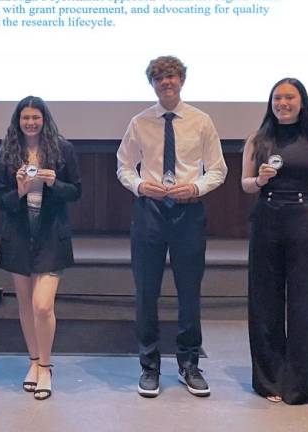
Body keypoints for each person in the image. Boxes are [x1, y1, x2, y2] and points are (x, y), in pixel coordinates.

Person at [116, 56, 227, 398]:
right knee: (147, 292)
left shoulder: (201, 121)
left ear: (182, 80)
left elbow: (218, 170)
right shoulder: (139, 122)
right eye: (160, 78)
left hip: (188, 212)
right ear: (152, 84)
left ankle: (189, 365)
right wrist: (139, 186)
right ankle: (149, 367)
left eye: (172, 76)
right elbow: (123, 166)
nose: (166, 82)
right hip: (149, 212)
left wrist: (195, 187)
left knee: (189, 292)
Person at [241, 78, 308, 405]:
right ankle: (269, 380)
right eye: (277, 97)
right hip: (267, 222)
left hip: (305, 222)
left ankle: (299, 384)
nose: (283, 103)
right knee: (265, 303)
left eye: (290, 97)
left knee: (302, 306)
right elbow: (245, 184)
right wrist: (258, 179)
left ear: (302, 101)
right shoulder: (257, 139)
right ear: (270, 102)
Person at [0, 96, 81, 400]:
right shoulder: (6, 153)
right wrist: (18, 190)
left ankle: (46, 366)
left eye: (36, 117)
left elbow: (76, 192)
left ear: (45, 119)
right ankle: (33, 361)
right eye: (25, 117)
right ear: (18, 121)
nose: (30, 122)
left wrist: (55, 182)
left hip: (50, 237)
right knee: (25, 305)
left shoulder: (62, 149)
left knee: (42, 305)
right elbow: (0, 201)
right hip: (18, 236)